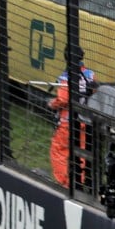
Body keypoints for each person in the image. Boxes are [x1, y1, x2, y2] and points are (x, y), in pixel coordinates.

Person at [50, 46, 95, 190]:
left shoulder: (66, 76)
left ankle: (65, 183)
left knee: (59, 150)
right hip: (85, 120)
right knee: (81, 151)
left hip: (67, 122)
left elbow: (63, 99)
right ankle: (80, 182)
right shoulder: (90, 75)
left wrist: (52, 103)